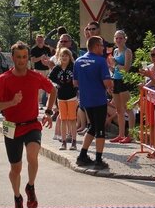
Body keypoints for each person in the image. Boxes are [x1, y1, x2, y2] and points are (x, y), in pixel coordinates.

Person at [0, 41, 57, 208]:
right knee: (15, 168)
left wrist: (49, 112)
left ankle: (31, 186)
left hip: (32, 123)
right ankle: (18, 198)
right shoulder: (4, 79)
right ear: (12, 58)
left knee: (32, 154)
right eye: (18, 57)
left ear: (28, 57)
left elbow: (53, 90)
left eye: (24, 57)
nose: (22, 60)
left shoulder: (35, 76)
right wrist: (11, 103)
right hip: (10, 125)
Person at [73, 35, 113, 169]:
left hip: (85, 100)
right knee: (100, 129)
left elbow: (75, 82)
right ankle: (98, 160)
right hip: (98, 99)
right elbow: (107, 82)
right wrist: (110, 86)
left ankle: (82, 156)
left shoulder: (78, 61)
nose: (103, 48)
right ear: (96, 46)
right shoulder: (101, 61)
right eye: (101, 45)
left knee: (92, 127)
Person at [49, 46, 78, 150]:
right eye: (62, 56)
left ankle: (74, 142)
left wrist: (76, 85)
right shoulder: (57, 68)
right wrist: (56, 84)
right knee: (63, 119)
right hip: (61, 97)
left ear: (70, 57)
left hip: (71, 96)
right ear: (59, 57)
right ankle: (64, 142)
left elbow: (78, 78)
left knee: (72, 119)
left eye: (66, 55)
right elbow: (50, 77)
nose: (64, 57)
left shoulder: (73, 67)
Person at [108, 30, 134, 143]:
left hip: (124, 80)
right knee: (119, 110)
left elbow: (127, 68)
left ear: (125, 39)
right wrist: (111, 66)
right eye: (117, 38)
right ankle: (121, 134)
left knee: (128, 109)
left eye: (121, 38)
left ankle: (131, 134)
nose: (118, 40)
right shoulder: (115, 51)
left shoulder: (127, 51)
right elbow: (114, 69)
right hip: (116, 80)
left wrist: (116, 64)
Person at [30, 33, 54, 107]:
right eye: (38, 40)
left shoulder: (47, 48)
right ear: (36, 41)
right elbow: (32, 60)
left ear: (44, 40)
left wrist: (46, 59)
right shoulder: (34, 49)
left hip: (47, 69)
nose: (40, 41)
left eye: (41, 40)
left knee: (49, 86)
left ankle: (49, 104)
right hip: (38, 70)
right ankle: (38, 104)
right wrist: (40, 58)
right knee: (38, 88)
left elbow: (51, 58)